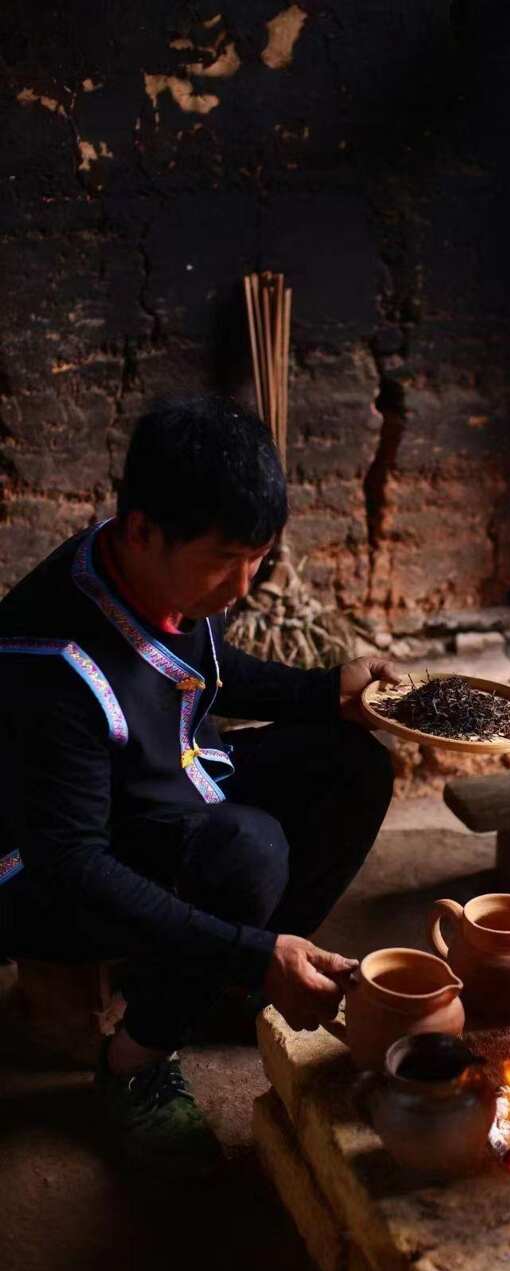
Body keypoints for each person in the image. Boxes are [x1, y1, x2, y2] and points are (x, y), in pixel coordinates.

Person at [0, 394, 397, 1172]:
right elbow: (70, 864)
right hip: (46, 879)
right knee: (249, 851)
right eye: (227, 560)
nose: (244, 586)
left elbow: (209, 669)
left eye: (259, 558)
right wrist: (255, 952)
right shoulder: (52, 666)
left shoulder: (147, 566)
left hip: (160, 798)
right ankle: (133, 1064)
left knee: (353, 765)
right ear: (144, 528)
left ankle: (213, 984)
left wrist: (328, 693)